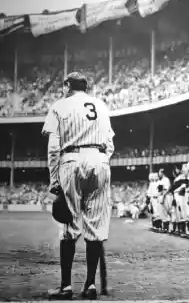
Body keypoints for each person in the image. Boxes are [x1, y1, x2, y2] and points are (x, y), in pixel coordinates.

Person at [42, 72, 115, 300]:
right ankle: (90, 285)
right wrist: (100, 161)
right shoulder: (101, 106)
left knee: (69, 226)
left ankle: (65, 287)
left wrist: (55, 179)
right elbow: (110, 144)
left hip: (71, 160)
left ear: (67, 85)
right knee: (95, 226)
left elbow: (54, 147)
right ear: (86, 87)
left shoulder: (60, 105)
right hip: (100, 160)